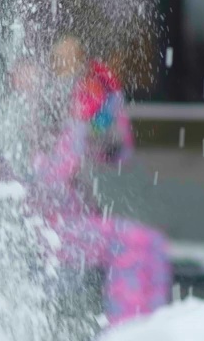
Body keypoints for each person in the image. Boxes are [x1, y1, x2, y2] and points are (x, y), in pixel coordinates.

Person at [27, 35, 171, 326]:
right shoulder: (42, 111)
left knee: (154, 242)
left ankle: (159, 325)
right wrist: (78, 126)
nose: (68, 68)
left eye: (74, 61)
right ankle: (125, 327)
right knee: (129, 242)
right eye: (60, 61)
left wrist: (110, 109)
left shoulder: (89, 103)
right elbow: (47, 178)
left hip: (82, 220)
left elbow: (121, 155)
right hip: (48, 228)